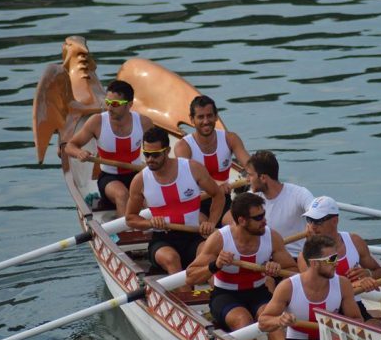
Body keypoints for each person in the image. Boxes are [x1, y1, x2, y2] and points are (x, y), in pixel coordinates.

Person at [185, 192, 297, 340]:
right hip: (226, 296)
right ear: (242, 221)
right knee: (243, 320)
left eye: (263, 215)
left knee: (275, 327)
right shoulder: (220, 239)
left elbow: (294, 271)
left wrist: (277, 269)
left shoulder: (272, 237)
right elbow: (190, 277)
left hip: (259, 293)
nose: (264, 221)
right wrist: (215, 265)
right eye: (258, 218)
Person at [125, 126, 224, 291]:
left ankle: (219, 297)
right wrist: (150, 223)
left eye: (155, 155)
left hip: (193, 235)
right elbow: (130, 218)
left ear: (167, 151)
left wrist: (212, 222)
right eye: (146, 154)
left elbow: (218, 195)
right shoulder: (140, 180)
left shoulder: (192, 168)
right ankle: (185, 306)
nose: (150, 159)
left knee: (207, 258)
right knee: (172, 259)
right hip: (163, 241)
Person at [258, 235, 362, 340]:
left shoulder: (343, 284)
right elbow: (263, 322)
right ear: (314, 263)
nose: (336, 263)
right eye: (331, 259)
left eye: (336, 257)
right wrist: (279, 320)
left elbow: (357, 320)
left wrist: (343, 326)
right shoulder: (288, 287)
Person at [65, 80, 154, 217]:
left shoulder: (144, 123)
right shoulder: (97, 122)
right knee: (122, 194)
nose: (110, 108)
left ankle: (154, 231)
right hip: (109, 177)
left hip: (137, 173)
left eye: (115, 104)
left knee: (150, 195)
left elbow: (159, 150)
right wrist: (79, 153)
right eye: (107, 102)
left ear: (129, 105)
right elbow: (70, 146)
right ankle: (125, 234)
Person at [298, 196, 381, 321]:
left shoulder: (354, 241)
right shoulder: (305, 256)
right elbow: (316, 290)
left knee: (380, 328)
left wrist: (368, 274)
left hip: (353, 304)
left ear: (335, 220)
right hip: (328, 310)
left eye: (318, 221)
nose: (312, 226)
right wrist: (354, 284)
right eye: (309, 220)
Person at [174, 95, 250, 225]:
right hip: (195, 203)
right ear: (192, 120)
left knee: (239, 225)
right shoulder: (183, 146)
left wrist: (257, 172)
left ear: (216, 117)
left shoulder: (230, 139)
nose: (206, 121)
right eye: (200, 117)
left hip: (223, 199)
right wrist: (216, 184)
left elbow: (249, 164)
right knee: (204, 232)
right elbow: (187, 177)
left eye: (209, 116)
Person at [241, 150, 314, 259]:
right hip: (266, 260)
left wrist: (313, 223)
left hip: (295, 259)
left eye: (250, 175)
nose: (247, 179)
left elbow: (317, 212)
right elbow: (230, 218)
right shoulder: (251, 198)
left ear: (263, 178)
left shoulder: (299, 194)